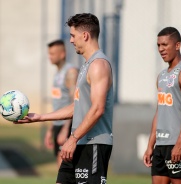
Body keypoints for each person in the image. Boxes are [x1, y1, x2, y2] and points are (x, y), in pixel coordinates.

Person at [15, 13, 114, 184]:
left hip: (93, 144)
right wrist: (41, 117)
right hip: (76, 143)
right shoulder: (87, 65)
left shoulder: (99, 65)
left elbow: (98, 109)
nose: (71, 40)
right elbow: (77, 107)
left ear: (85, 35)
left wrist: (72, 137)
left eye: (73, 35)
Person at [143, 27, 181, 184]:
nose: (161, 49)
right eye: (158, 45)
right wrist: (150, 145)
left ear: (177, 45)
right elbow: (160, 112)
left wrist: (180, 143)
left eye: (165, 45)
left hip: (180, 143)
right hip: (161, 145)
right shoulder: (161, 76)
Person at [44, 39, 78, 168]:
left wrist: (65, 129)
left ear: (62, 54)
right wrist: (51, 129)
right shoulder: (57, 73)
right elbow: (57, 104)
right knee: (61, 165)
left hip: (67, 124)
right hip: (58, 124)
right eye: (49, 53)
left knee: (63, 165)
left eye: (52, 54)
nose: (50, 57)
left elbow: (75, 102)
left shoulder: (70, 72)